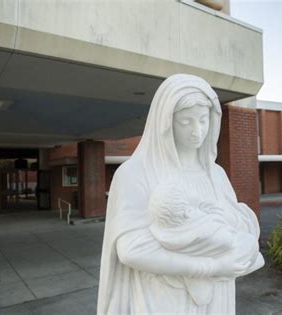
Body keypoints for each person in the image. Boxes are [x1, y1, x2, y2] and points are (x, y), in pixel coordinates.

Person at [97, 74, 264, 314]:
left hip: (218, 296)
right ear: (165, 122)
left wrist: (231, 228)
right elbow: (132, 249)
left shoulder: (216, 174)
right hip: (163, 298)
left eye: (203, 120)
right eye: (185, 122)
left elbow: (240, 226)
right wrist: (212, 265)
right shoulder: (134, 173)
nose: (197, 131)